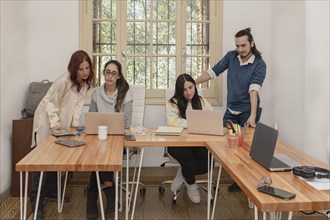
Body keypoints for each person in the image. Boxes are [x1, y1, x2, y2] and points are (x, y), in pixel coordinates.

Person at [195, 27, 267, 192]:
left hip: (248, 112)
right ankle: (236, 177)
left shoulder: (259, 64)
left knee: (246, 150)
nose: (240, 49)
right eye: (237, 46)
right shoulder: (231, 57)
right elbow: (212, 72)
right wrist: (193, 82)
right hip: (232, 111)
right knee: (226, 145)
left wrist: (253, 116)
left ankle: (245, 183)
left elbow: (254, 90)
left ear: (252, 43)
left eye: (243, 46)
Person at [29, 50, 94, 219]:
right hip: (47, 121)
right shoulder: (63, 80)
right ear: (74, 68)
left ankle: (51, 192)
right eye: (81, 69)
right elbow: (51, 102)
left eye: (87, 68)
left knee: (56, 158)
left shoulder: (85, 84)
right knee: (42, 163)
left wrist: (74, 125)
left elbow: (78, 105)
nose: (85, 72)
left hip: (62, 124)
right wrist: (55, 124)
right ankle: (37, 206)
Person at [86, 60, 133, 219]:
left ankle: (93, 195)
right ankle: (110, 192)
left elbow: (126, 123)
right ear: (103, 73)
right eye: (107, 72)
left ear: (119, 76)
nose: (110, 75)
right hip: (98, 138)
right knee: (99, 150)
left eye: (113, 73)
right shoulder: (96, 92)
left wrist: (105, 126)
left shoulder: (126, 92)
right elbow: (91, 118)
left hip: (118, 140)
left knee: (102, 153)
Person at [166, 73, 213, 203]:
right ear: (180, 91)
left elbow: (210, 119)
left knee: (207, 163)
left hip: (198, 143)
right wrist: (196, 122)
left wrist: (193, 123)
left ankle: (183, 172)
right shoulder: (172, 103)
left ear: (195, 86)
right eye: (184, 90)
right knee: (190, 162)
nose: (188, 92)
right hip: (177, 143)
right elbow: (172, 122)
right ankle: (190, 183)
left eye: (191, 87)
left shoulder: (202, 101)